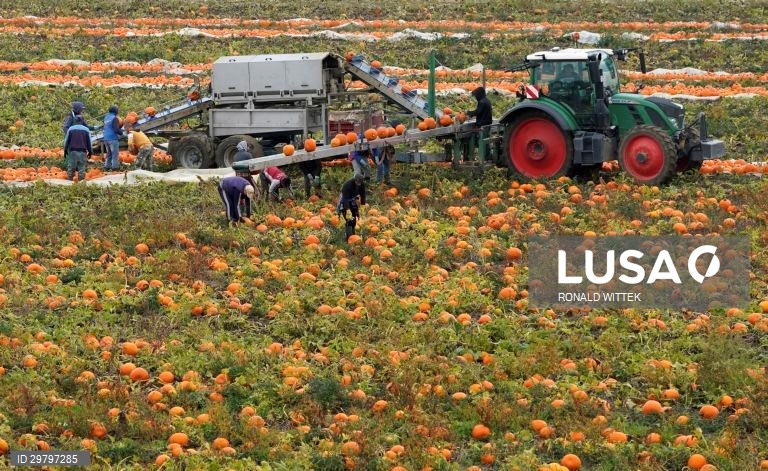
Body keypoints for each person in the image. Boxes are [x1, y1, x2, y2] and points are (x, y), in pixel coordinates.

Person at [63, 115, 92, 182]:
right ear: (82, 121)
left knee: (71, 167)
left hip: (72, 151)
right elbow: (89, 142)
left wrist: (65, 150)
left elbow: (66, 141)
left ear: (75, 121)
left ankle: (69, 182)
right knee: (81, 168)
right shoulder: (86, 130)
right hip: (82, 151)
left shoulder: (70, 129)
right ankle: (81, 183)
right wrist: (90, 151)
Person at [337, 174, 366, 239]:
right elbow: (345, 199)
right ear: (355, 180)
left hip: (353, 198)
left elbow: (363, 194)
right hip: (345, 198)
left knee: (354, 216)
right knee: (347, 218)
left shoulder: (362, 185)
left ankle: (353, 233)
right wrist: (348, 210)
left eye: (360, 183)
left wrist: (362, 205)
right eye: (357, 182)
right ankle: (347, 236)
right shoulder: (348, 185)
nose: (359, 184)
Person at [102, 105, 123, 171]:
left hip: (106, 138)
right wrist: (122, 133)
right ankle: (115, 168)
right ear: (116, 111)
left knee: (109, 153)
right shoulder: (115, 118)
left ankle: (107, 167)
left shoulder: (106, 117)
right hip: (112, 138)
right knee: (115, 154)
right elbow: (116, 129)